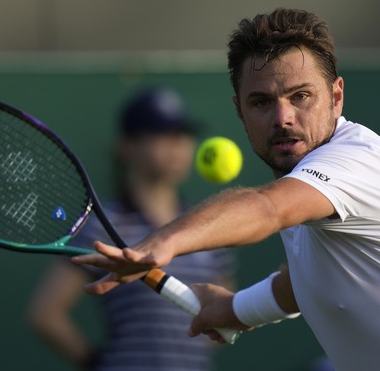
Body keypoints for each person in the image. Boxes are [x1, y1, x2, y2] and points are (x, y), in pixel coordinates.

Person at [72, 8, 380, 370]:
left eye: (301, 96)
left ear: (336, 96)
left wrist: (163, 242)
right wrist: (235, 309)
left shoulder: (356, 162)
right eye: (261, 102)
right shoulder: (308, 197)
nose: (283, 118)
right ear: (240, 112)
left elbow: (265, 209)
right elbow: (307, 281)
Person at [27, 86, 235, 371]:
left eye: (183, 134)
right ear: (127, 146)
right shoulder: (102, 225)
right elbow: (45, 313)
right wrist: (97, 364)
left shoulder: (206, 225)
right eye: (161, 133)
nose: (177, 144)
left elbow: (224, 304)